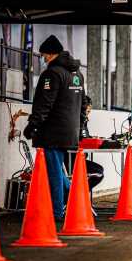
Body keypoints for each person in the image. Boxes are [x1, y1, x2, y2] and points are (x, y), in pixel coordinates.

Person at [24, 35, 87, 221]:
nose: (43, 59)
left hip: (53, 131)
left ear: (51, 54)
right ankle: (78, 202)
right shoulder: (77, 74)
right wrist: (81, 126)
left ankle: (57, 213)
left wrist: (32, 125)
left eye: (44, 55)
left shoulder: (52, 74)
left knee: (54, 174)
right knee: (58, 170)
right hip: (70, 130)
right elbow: (83, 104)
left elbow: (45, 103)